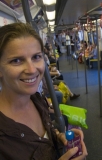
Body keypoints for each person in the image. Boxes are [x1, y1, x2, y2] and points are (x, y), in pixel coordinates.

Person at [0, 23, 87, 159]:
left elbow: (46, 132)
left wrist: (58, 136)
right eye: (16, 60)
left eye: (36, 57)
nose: (32, 70)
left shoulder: (37, 99)